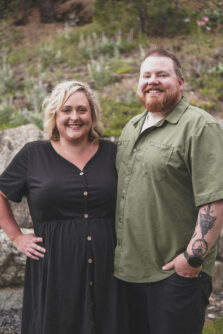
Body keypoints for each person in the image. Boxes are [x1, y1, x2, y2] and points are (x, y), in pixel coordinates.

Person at [0, 81, 127, 334]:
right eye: (66, 110)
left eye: (82, 110)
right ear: (54, 115)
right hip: (54, 270)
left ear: (92, 114)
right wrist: (16, 236)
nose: (74, 117)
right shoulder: (33, 154)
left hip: (108, 269)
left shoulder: (113, 153)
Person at [114, 46, 223, 334]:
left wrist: (191, 259)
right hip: (127, 274)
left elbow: (215, 198)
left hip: (174, 275)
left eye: (162, 74)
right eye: (146, 75)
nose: (152, 81)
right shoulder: (131, 128)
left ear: (181, 82)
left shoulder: (200, 126)